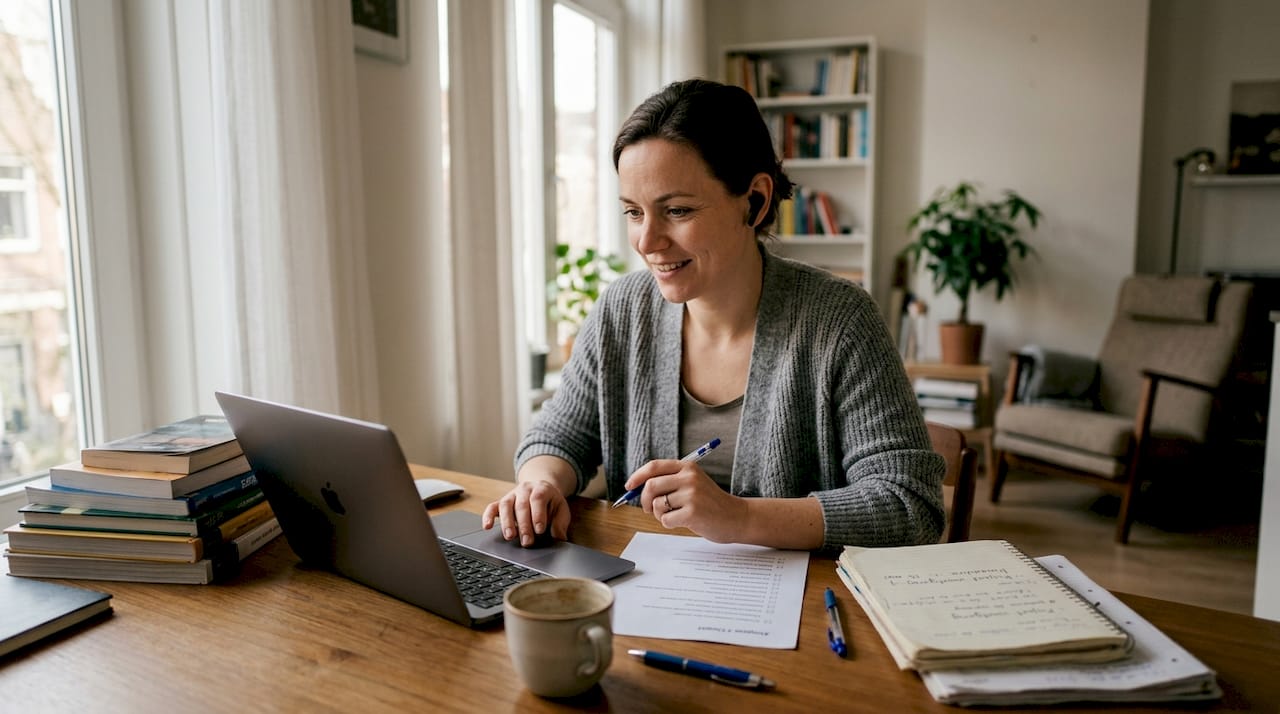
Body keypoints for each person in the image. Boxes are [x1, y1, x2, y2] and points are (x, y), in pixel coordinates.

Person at [483, 78, 944, 550]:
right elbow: (557, 437)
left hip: (802, 611)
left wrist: (738, 517)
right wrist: (540, 484)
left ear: (756, 201)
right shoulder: (621, 311)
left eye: (677, 210)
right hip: (643, 598)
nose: (647, 242)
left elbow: (910, 506)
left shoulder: (839, 320)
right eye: (633, 213)